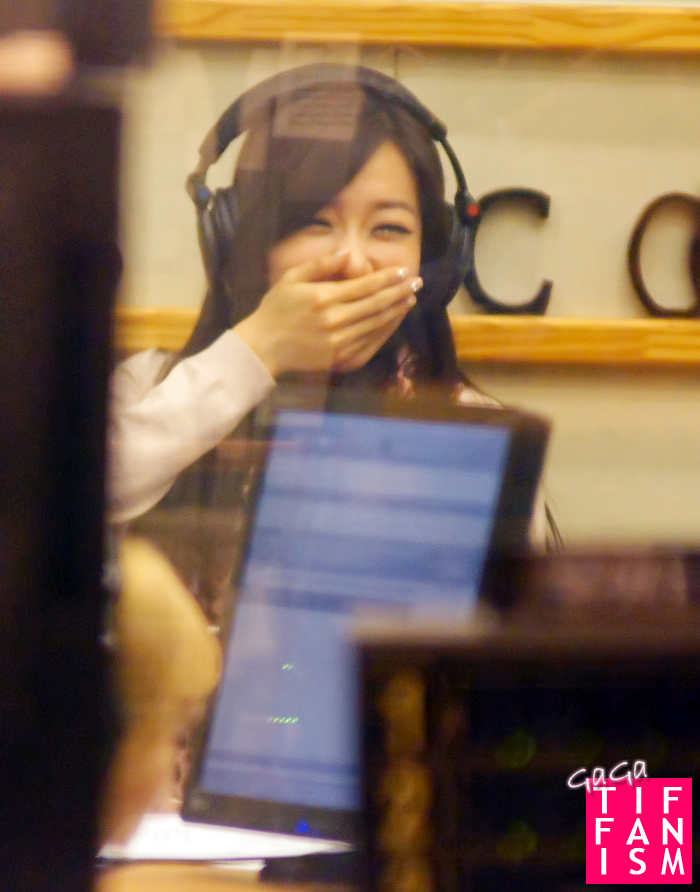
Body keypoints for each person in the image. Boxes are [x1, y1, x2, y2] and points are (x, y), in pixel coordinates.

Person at [110, 64, 548, 618]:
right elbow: (60, 510)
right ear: (244, 241)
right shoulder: (151, 388)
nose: (353, 262)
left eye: (389, 228)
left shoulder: (470, 429)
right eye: (317, 223)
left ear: (433, 261)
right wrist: (256, 351)